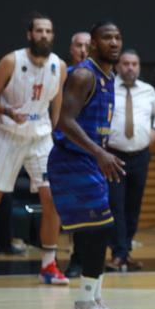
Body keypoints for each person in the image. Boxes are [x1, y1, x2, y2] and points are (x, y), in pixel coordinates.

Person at [0, 14, 69, 288]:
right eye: (39, 30)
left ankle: (48, 265)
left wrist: (55, 130)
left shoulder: (58, 65)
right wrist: (5, 111)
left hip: (40, 138)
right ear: (30, 35)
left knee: (52, 197)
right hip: (9, 134)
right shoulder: (11, 61)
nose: (44, 35)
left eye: (48, 31)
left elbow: (58, 99)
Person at [47, 21, 126, 309]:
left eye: (118, 37)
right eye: (107, 38)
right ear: (93, 44)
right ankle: (84, 305)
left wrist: (101, 153)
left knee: (99, 230)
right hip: (71, 161)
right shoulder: (83, 74)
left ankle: (92, 299)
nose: (114, 42)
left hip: (89, 161)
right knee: (99, 229)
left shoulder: (109, 76)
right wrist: (100, 152)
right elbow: (64, 121)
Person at [105, 50, 155, 271]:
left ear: (139, 67)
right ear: (118, 66)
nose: (130, 67)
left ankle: (126, 252)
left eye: (134, 64)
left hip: (140, 156)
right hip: (114, 156)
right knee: (115, 206)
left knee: (133, 206)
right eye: (126, 63)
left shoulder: (147, 90)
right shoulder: (108, 88)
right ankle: (118, 253)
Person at [64, 30, 90, 278]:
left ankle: (81, 260)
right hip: (64, 149)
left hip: (91, 152)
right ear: (71, 49)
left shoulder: (100, 78)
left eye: (87, 46)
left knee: (89, 212)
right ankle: (51, 259)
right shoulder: (64, 75)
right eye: (78, 45)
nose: (83, 50)